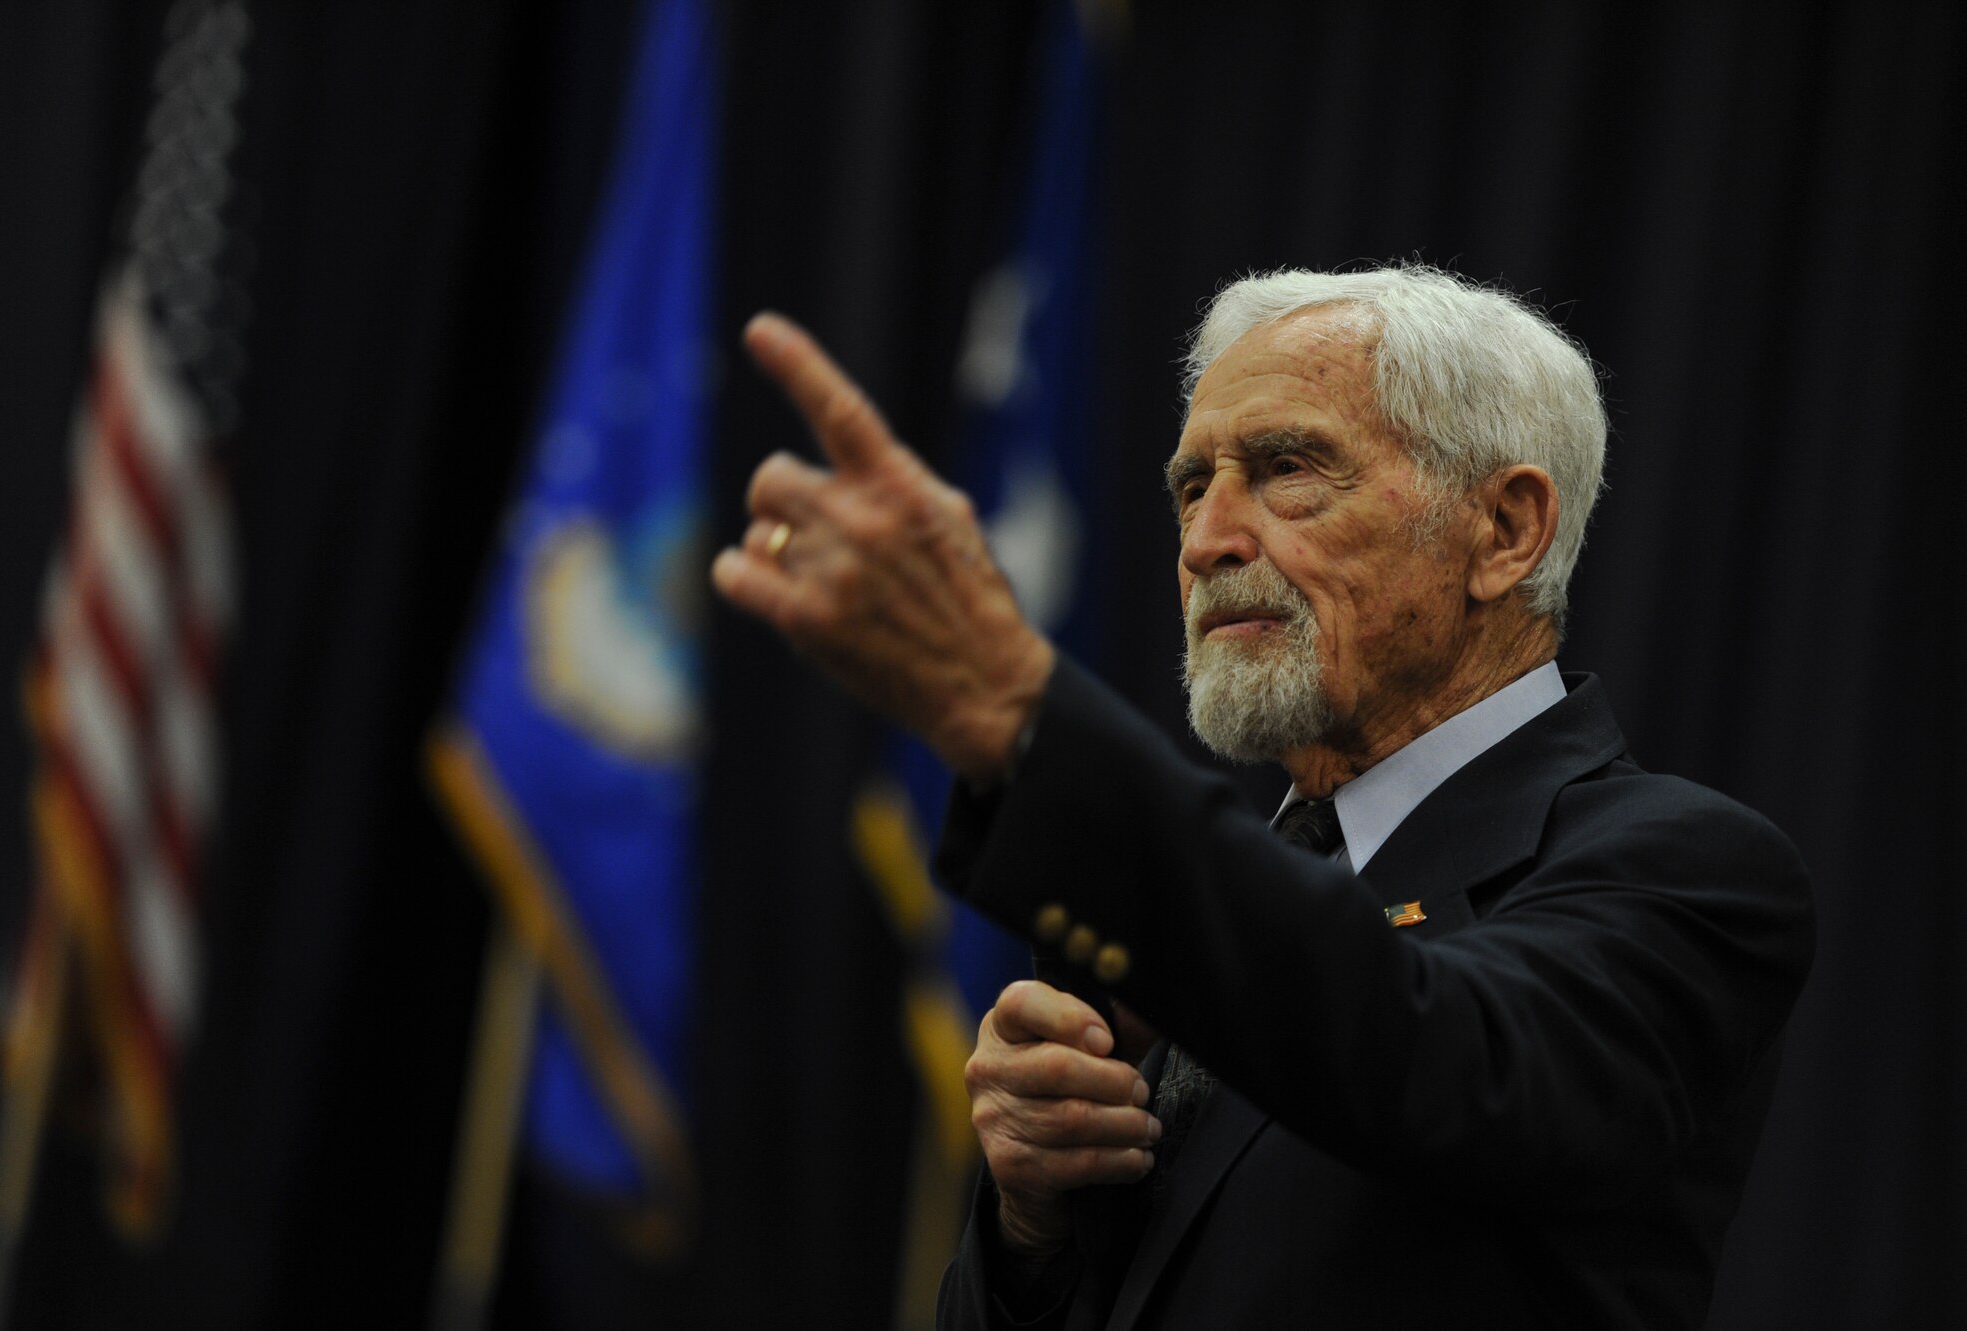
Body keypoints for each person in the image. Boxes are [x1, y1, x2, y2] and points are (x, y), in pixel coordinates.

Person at [711, 264, 1812, 1329]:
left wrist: (1026, 715)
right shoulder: (1211, 913)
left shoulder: (1684, 867)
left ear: (1503, 531)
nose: (1204, 541)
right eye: (1192, 486)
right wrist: (1030, 1223)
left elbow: (1436, 1059)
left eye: (1287, 468)